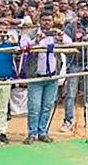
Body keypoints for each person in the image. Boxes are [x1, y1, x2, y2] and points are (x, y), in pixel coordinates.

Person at [20, 10, 68, 144]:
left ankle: (43, 132)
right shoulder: (31, 33)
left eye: (49, 20)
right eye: (44, 20)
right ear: (39, 21)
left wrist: (61, 37)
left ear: (53, 21)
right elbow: (23, 45)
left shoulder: (56, 33)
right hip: (36, 76)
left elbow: (70, 43)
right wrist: (35, 41)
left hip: (52, 76)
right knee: (34, 106)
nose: (47, 23)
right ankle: (32, 133)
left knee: (47, 106)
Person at [61, 4, 88, 132]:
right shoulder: (71, 26)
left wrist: (85, 41)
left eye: (86, 9)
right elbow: (68, 42)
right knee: (70, 94)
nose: (84, 12)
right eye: (81, 9)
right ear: (77, 11)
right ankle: (68, 120)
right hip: (74, 62)